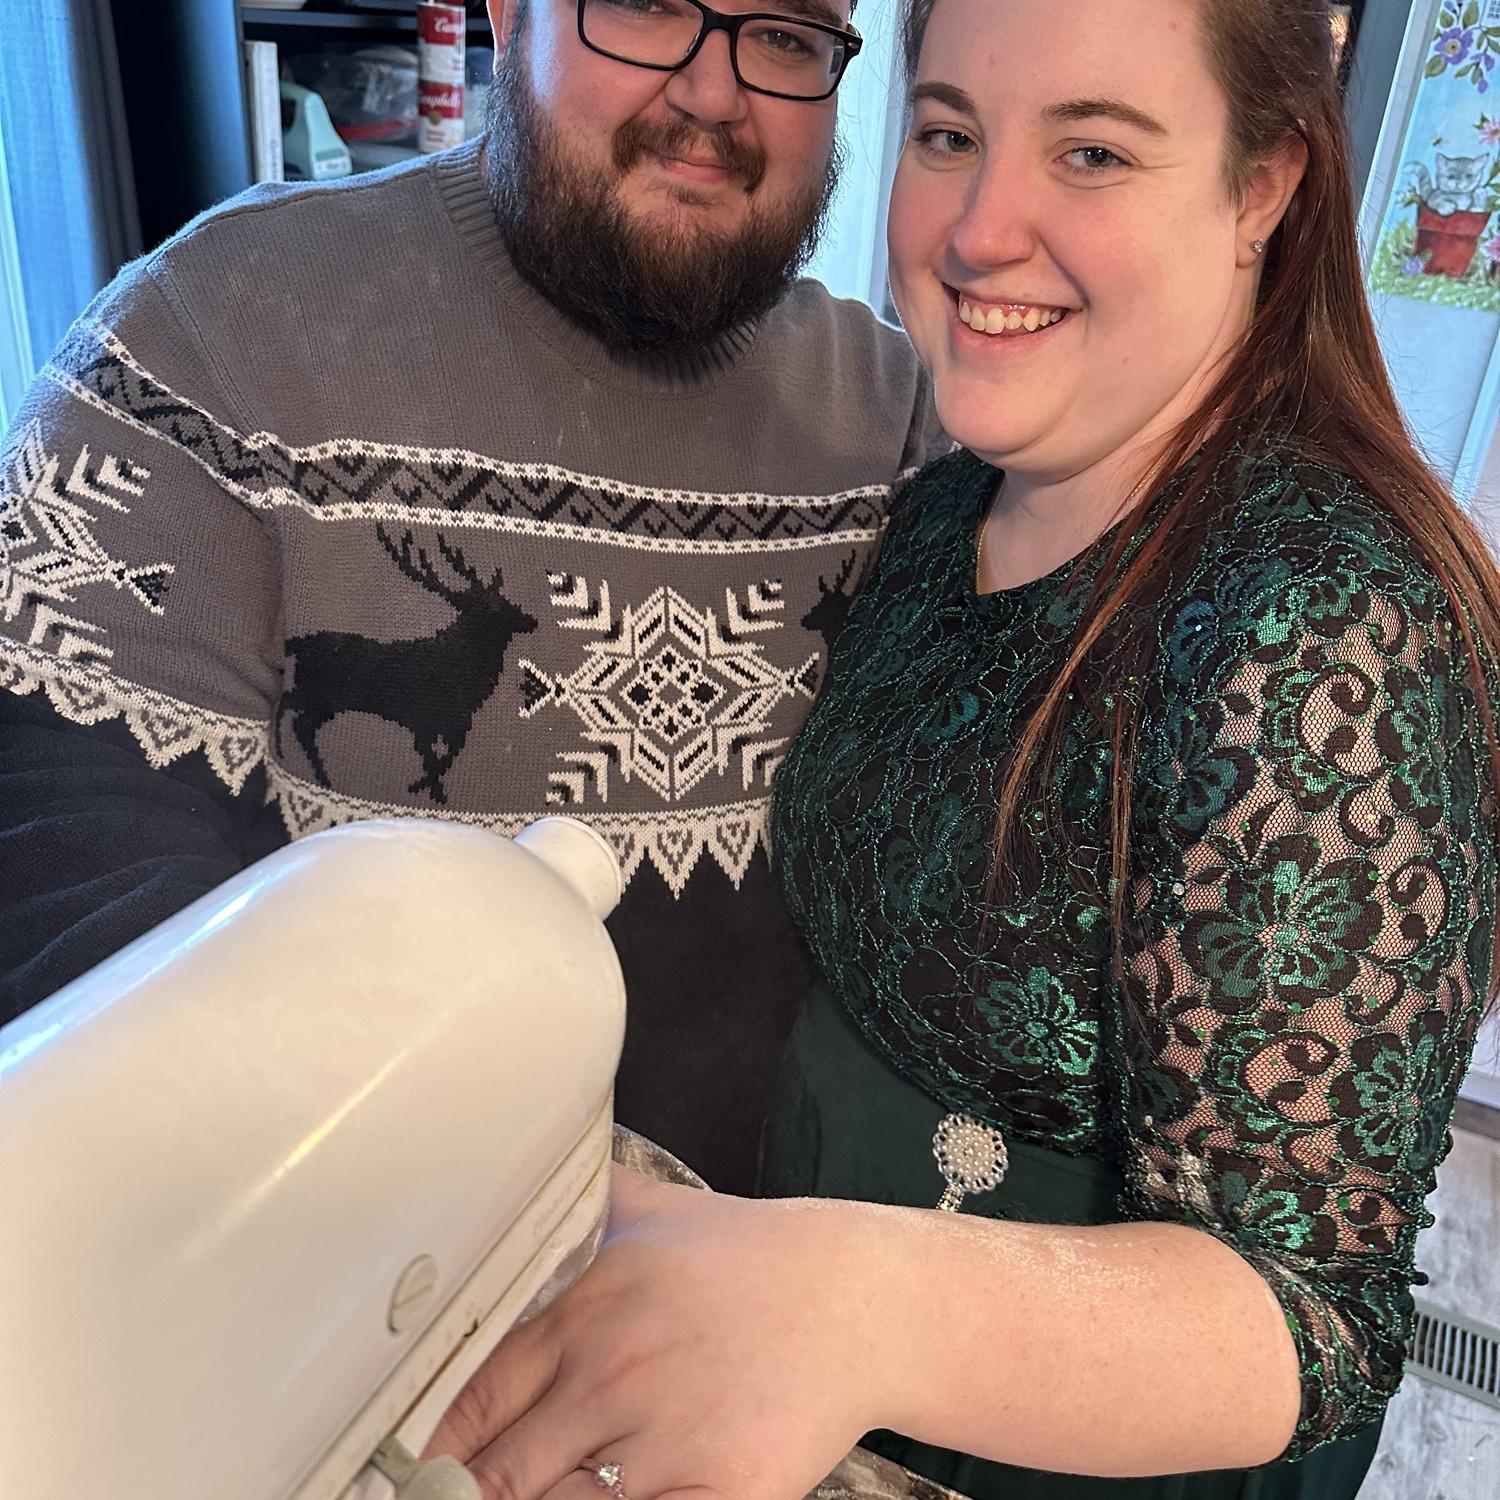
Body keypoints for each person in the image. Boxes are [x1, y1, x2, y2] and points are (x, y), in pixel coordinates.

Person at [420, 0, 1500, 1497]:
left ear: (1264, 187)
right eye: (948, 136)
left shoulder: (1313, 616)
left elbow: (1305, 1316)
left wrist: (852, 1304)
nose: (982, 230)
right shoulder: (949, 507)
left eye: (1096, 152)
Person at [0, 0, 944, 1194]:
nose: (714, 95)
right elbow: (75, 927)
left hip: (788, 1299)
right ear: (508, 15)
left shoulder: (899, 421)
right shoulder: (207, 348)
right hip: (370, 1298)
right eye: (647, 7)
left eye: (790, 36)